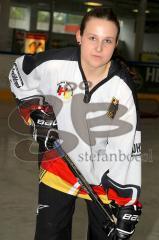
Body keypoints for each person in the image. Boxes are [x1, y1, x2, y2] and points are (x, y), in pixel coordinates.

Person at [9, 7, 142, 240]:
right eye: (92, 38)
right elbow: (19, 74)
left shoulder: (122, 89)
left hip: (104, 177)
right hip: (58, 166)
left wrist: (128, 203)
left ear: (116, 43)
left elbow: (127, 150)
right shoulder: (54, 64)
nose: (99, 48)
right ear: (79, 36)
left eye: (107, 40)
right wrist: (36, 112)